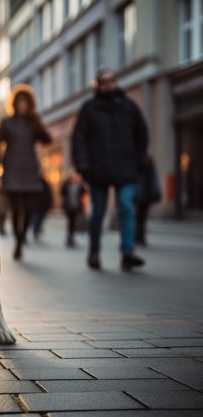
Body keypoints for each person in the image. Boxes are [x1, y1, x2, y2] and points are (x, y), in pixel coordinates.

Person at [72, 68, 149, 271]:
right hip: (98, 170)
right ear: (98, 84)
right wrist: (83, 166)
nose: (109, 84)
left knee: (125, 207)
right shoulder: (89, 109)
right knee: (98, 212)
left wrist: (140, 159)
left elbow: (142, 134)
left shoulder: (129, 106)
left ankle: (127, 253)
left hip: (126, 168)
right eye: (104, 81)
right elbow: (79, 139)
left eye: (112, 80)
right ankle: (94, 252)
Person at [0, 84, 52, 260]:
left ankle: (23, 236)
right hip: (12, 170)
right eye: (19, 102)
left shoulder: (33, 122)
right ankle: (18, 242)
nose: (22, 105)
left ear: (29, 104)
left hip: (30, 170)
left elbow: (47, 140)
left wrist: (39, 125)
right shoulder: (7, 123)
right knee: (16, 210)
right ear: (15, 104)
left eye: (25, 103)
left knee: (30, 210)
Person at [135, 155, 161, 246]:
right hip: (143, 192)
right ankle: (139, 236)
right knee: (140, 216)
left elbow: (152, 177)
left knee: (139, 216)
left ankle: (138, 236)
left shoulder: (146, 160)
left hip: (141, 192)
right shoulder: (146, 159)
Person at [60, 169, 87, 248]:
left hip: (76, 206)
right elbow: (62, 193)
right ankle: (69, 237)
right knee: (70, 222)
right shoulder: (66, 184)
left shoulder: (79, 186)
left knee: (74, 222)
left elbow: (84, 194)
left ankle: (71, 237)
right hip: (69, 206)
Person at [30, 176, 52, 242]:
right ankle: (36, 230)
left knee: (39, 219)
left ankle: (36, 230)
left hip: (41, 206)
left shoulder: (40, 186)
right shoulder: (36, 186)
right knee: (37, 218)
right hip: (38, 206)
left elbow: (48, 196)